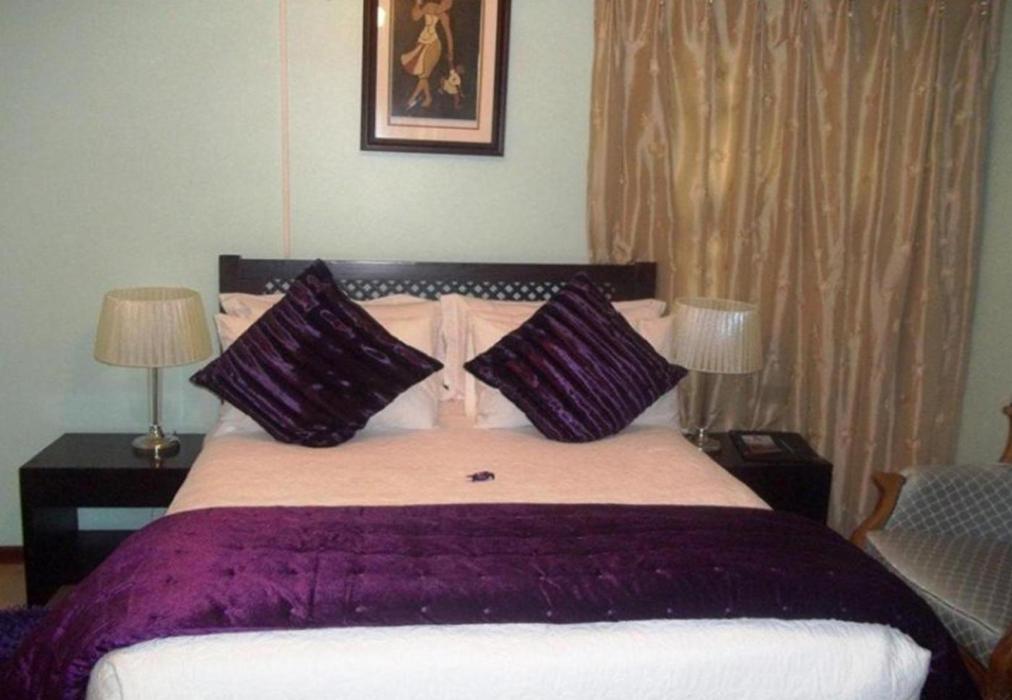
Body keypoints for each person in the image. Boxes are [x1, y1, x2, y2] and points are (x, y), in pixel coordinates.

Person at [400, 0, 454, 110]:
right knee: (422, 74)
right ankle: (428, 98)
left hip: (434, 45)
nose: (446, 6)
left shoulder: (444, 17)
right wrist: (417, 4)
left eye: (448, 5)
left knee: (424, 74)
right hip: (422, 41)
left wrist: (451, 51)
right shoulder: (430, 6)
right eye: (446, 3)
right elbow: (415, 17)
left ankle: (411, 100)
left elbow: (449, 35)